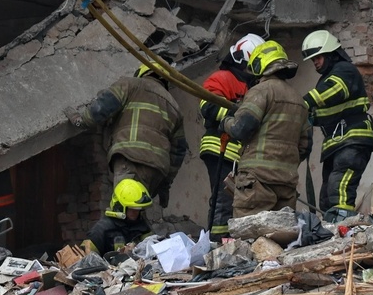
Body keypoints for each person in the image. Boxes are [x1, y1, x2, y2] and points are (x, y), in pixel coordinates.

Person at [66, 60, 187, 211]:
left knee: (122, 208)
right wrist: (165, 184)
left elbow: (102, 108)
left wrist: (81, 121)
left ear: (143, 72)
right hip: (157, 169)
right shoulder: (175, 106)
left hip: (130, 158)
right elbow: (179, 150)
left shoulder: (130, 84)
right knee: (135, 212)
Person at [221, 40, 311, 216]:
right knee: (281, 231)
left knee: (248, 231)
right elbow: (305, 146)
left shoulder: (261, 91)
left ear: (259, 64)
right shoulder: (300, 101)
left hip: (257, 181)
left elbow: (241, 129)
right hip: (286, 184)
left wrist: (225, 123)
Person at [301, 30, 373, 223]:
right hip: (337, 143)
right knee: (327, 196)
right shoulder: (328, 77)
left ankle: (343, 227)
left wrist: (302, 103)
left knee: (339, 187)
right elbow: (327, 112)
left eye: (318, 57)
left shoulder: (344, 70)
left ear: (330, 54)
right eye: (313, 60)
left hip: (352, 138)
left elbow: (332, 91)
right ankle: (330, 230)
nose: (315, 63)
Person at [200, 33, 264, 239]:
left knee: (237, 200)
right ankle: (217, 241)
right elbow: (207, 106)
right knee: (223, 199)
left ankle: (230, 239)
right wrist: (239, 117)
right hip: (219, 146)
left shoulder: (251, 86)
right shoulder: (222, 78)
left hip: (238, 154)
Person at [84, 178, 153, 255]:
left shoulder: (142, 227)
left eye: (138, 209)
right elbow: (85, 259)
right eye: (132, 208)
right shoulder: (100, 230)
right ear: (119, 207)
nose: (136, 212)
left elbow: (153, 250)